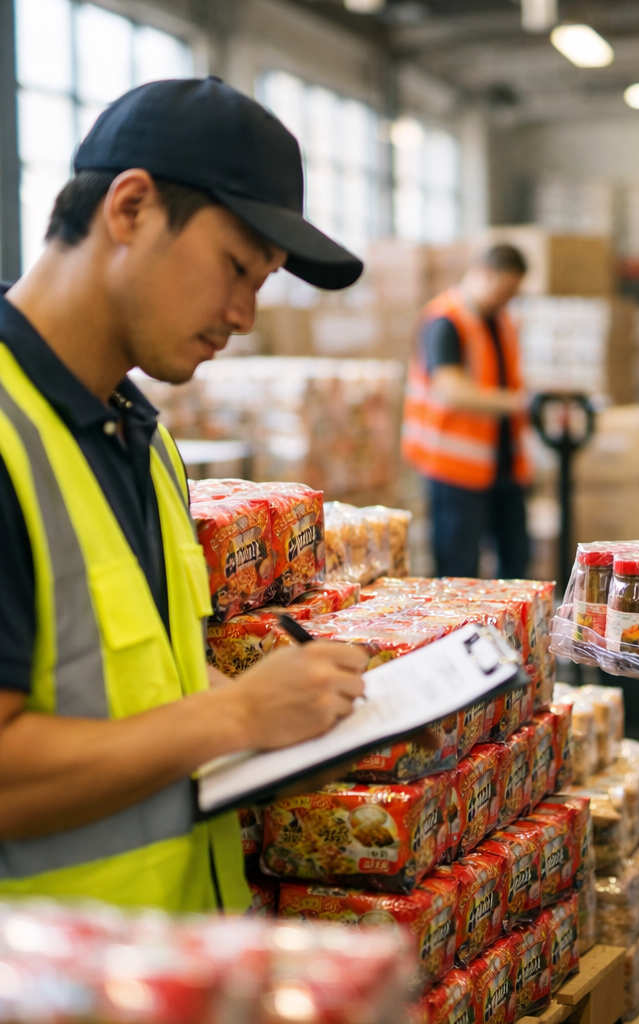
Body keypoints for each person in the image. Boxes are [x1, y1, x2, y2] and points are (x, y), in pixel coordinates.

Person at [0, 77, 370, 911]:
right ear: (130, 208)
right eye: (236, 267)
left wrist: (292, 715)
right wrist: (235, 719)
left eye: (263, 281)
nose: (244, 314)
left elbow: (136, 686)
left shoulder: (140, 435)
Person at [402, 244, 531, 578]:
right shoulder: (446, 321)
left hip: (502, 465)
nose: (507, 300)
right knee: (459, 572)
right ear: (483, 273)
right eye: (503, 290)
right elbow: (450, 388)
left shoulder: (500, 322)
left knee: (516, 564)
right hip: (454, 469)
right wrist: (517, 403)